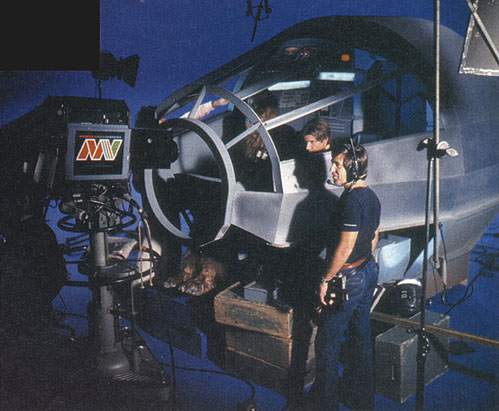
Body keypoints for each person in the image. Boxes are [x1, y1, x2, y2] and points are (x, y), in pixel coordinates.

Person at [309, 142, 381, 411]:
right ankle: (363, 402)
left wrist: (326, 280)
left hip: (349, 278)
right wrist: (366, 263)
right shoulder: (371, 196)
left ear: (353, 168)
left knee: (326, 343)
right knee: (361, 338)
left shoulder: (351, 201)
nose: (332, 169)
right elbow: (374, 233)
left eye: (337, 165)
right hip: (367, 272)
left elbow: (345, 247)